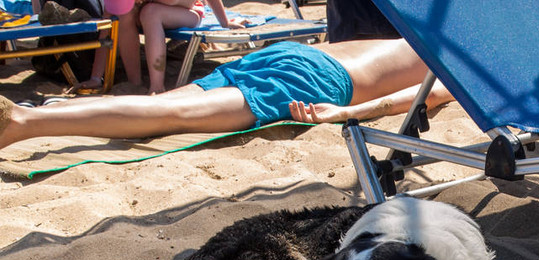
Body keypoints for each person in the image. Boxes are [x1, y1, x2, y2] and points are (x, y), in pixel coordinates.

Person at [0, 38, 453, 149]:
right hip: (315, 81)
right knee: (173, 118)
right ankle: (24, 123)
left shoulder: (430, 29)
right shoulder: (467, 55)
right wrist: (344, 112)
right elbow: (423, 97)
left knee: (165, 105)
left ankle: (47, 110)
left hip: (292, 54)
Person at [78, 0, 246, 94]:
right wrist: (96, 77)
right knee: (124, 16)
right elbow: (107, 30)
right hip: (148, 11)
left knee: (151, 12)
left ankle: (157, 87)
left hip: (187, 11)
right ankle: (135, 82)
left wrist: (225, 22)